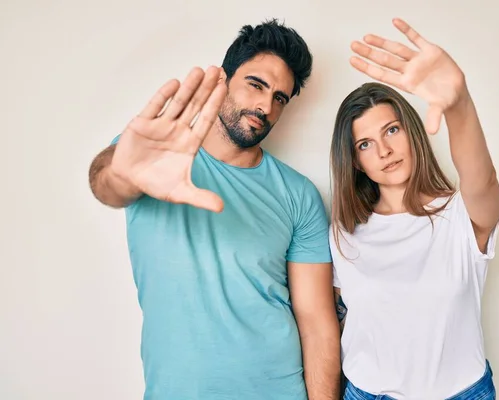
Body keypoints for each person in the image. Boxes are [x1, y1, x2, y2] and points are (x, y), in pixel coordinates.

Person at [88, 19, 340, 400]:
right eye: (256, 85)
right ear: (223, 79)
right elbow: (107, 184)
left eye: (279, 97)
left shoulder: (298, 194)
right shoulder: (153, 156)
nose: (264, 105)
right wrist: (125, 172)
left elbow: (317, 324)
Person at [329, 18, 499, 400]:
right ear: (355, 161)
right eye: (365, 144)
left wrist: (460, 105)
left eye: (391, 130)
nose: (384, 151)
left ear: (412, 131)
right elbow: (342, 313)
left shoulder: (461, 214)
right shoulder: (345, 229)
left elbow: (484, 181)